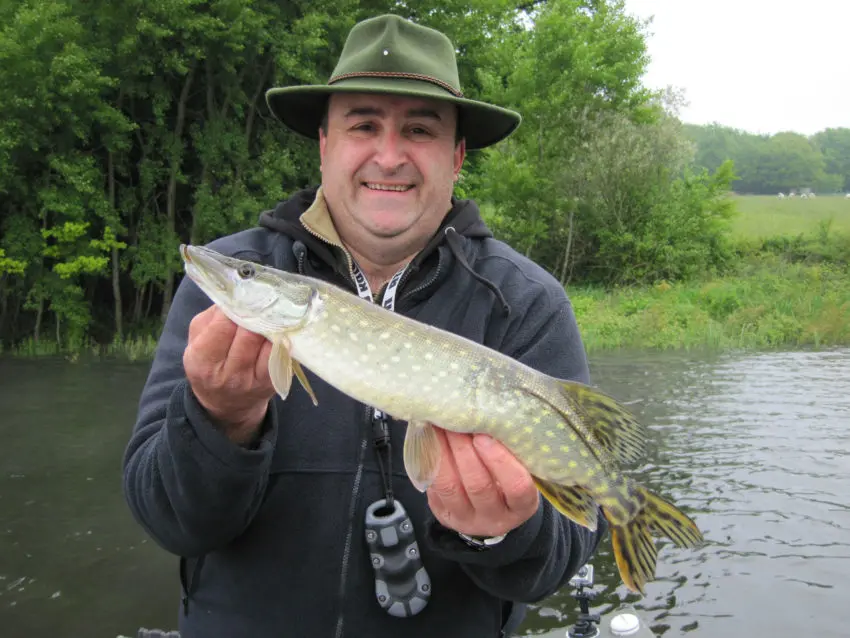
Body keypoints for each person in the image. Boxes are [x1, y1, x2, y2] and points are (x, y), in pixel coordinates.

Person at [123, 13, 606, 638]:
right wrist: (219, 422)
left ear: (456, 157)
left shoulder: (526, 301)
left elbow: (562, 553)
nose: (389, 154)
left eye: (420, 129)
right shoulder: (222, 291)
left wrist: (502, 532)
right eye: (363, 125)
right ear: (324, 144)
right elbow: (168, 522)